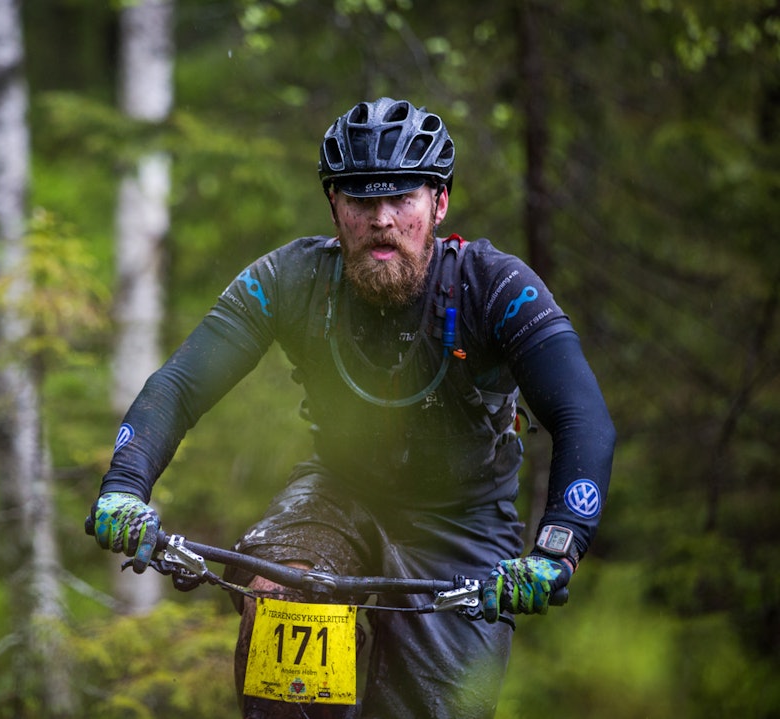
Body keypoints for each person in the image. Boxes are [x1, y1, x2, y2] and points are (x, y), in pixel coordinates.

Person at [88, 97, 616, 719]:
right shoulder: (290, 279)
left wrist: (556, 548)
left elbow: (584, 418)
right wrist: (124, 487)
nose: (382, 219)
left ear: (439, 203)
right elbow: (179, 386)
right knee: (281, 591)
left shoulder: (497, 287)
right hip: (335, 496)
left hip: (465, 525)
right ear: (334, 206)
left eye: (403, 198)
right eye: (362, 201)